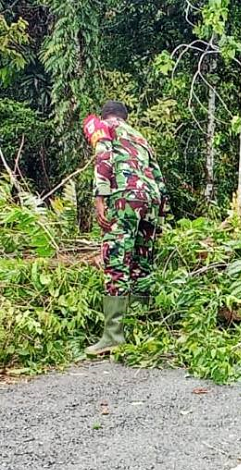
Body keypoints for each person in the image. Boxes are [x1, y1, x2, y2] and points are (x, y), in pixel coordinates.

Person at [82, 101, 167, 356]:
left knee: (116, 260)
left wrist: (100, 198)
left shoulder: (103, 126)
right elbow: (158, 176)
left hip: (125, 197)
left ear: (106, 116)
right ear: (125, 117)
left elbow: (103, 155)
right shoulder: (140, 137)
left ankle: (113, 336)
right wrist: (159, 218)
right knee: (142, 261)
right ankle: (142, 328)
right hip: (150, 200)